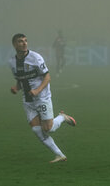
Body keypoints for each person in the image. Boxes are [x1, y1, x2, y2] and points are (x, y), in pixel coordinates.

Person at [9, 33, 76, 163]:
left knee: (48, 129)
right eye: (20, 41)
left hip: (42, 97)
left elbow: (47, 77)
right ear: (14, 44)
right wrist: (16, 88)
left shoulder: (35, 57)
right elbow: (20, 80)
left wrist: (37, 90)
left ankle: (62, 117)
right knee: (36, 130)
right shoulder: (12, 62)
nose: (24, 43)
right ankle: (60, 155)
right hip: (28, 100)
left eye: (25, 41)